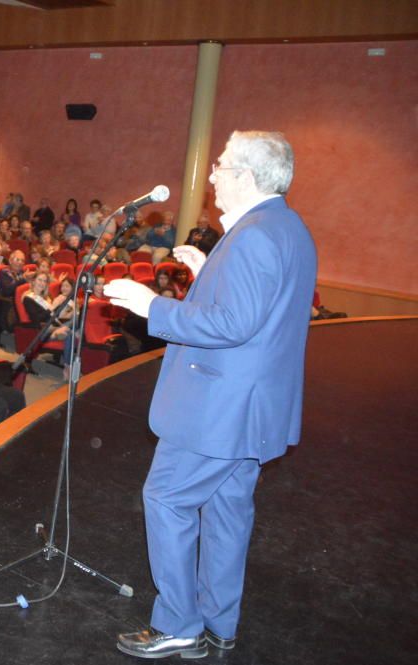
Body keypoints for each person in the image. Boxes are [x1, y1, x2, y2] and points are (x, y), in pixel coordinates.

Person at [106, 131, 317, 659]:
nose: (213, 174)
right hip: (252, 409)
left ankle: (178, 623)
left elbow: (233, 324)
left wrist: (150, 305)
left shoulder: (254, 235)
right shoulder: (285, 227)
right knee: (226, 513)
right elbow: (259, 310)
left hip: (219, 409)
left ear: (245, 177)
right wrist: (207, 274)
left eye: (221, 165)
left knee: (168, 499)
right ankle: (220, 622)